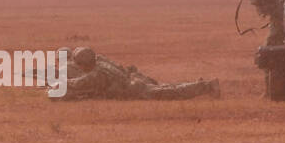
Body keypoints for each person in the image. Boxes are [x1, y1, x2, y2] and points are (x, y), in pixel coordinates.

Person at [57, 46, 219, 101]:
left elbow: (80, 83)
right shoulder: (101, 63)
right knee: (168, 88)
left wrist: (63, 82)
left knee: (171, 93)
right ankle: (197, 84)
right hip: (134, 81)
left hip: (134, 89)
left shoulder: (97, 74)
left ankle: (206, 86)